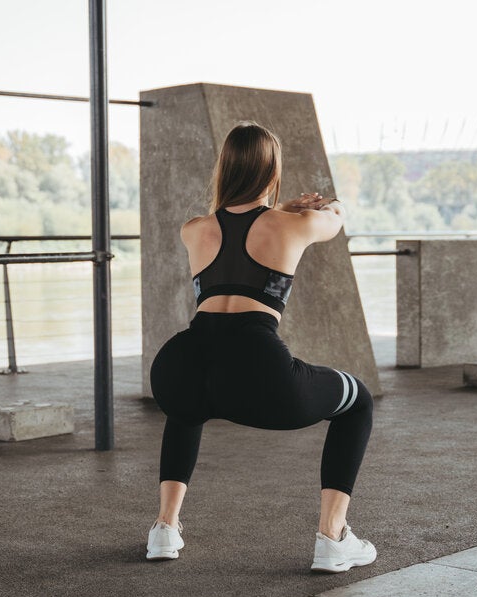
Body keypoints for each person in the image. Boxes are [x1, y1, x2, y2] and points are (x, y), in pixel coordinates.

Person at [146, 121, 376, 573]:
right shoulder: (296, 225)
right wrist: (329, 205)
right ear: (272, 172)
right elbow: (333, 220)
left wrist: (280, 208)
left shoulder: (193, 229)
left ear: (224, 169)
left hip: (180, 366)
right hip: (258, 372)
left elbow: (239, 226)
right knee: (358, 401)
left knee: (187, 408)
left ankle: (164, 529)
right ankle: (333, 539)